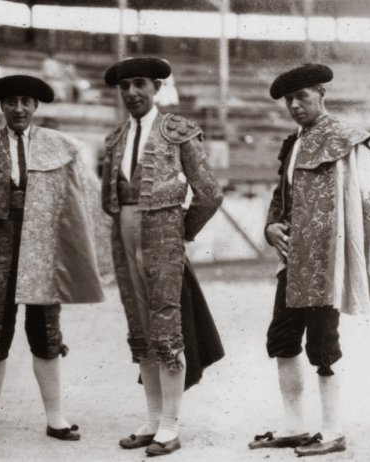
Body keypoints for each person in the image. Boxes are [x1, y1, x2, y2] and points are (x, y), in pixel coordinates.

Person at [0, 75, 103, 448]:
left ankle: (56, 418)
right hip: (1, 241)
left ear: (36, 106)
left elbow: (84, 194)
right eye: (11, 102)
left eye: (26, 101)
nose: (19, 108)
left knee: (46, 330)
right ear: (1, 107)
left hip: (44, 244)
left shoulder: (58, 145)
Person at [247, 64, 370, 457]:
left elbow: (369, 200)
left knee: (323, 346)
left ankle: (332, 430)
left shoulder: (346, 138)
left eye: (302, 97)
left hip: (327, 261)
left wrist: (350, 253)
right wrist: (270, 227)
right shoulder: (291, 144)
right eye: (289, 100)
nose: (294, 106)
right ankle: (294, 426)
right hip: (293, 260)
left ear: (321, 94)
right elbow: (281, 197)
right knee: (281, 339)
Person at [101, 57, 225, 457]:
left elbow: (209, 191)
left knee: (166, 324)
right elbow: (110, 198)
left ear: (156, 88)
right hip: (124, 232)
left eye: (140, 84)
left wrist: (182, 230)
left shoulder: (177, 131)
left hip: (163, 234)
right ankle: (153, 418)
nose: (132, 93)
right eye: (125, 87)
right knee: (140, 324)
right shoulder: (117, 137)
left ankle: (170, 425)